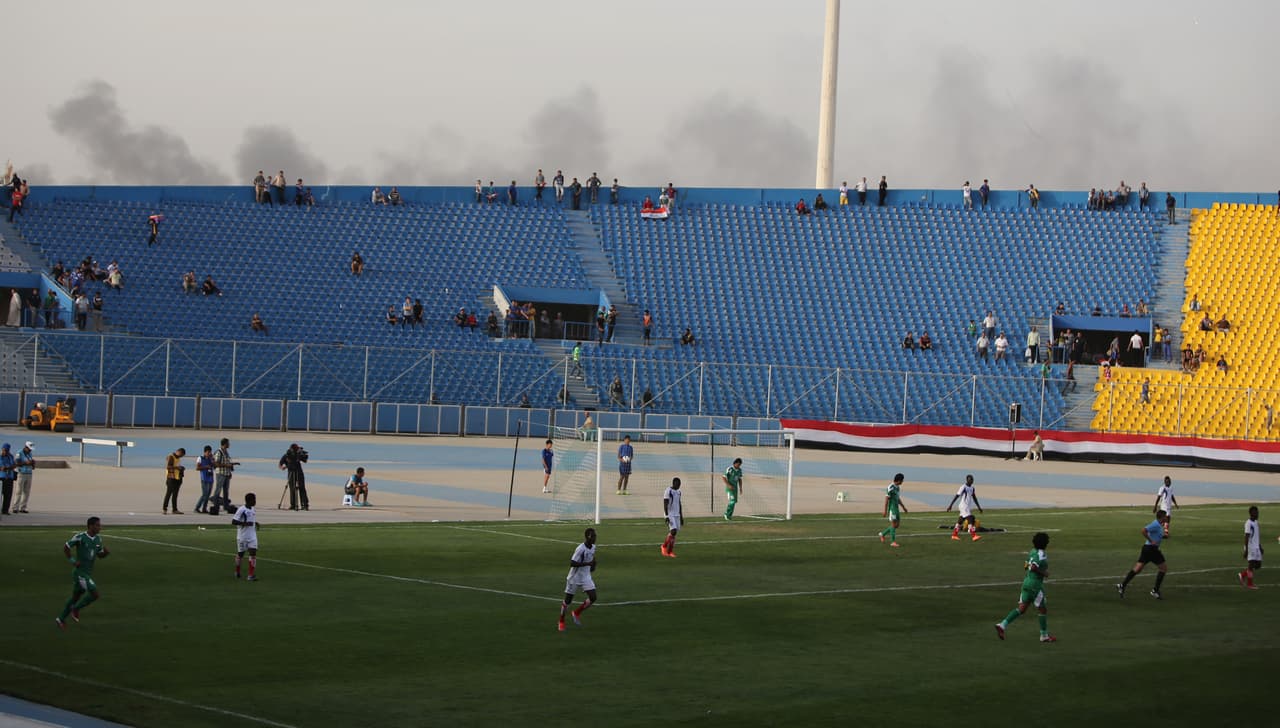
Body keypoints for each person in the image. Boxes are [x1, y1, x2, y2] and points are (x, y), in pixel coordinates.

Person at [994, 532, 1056, 643]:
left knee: (1022, 608)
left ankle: (1002, 625)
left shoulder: (1032, 552)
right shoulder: (1041, 554)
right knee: (1042, 609)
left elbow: (1026, 565)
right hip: (1035, 584)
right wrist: (1044, 573)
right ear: (1045, 543)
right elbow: (1032, 567)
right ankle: (1044, 635)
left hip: (1026, 582)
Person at [55, 516, 110, 630]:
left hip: (87, 572)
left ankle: (60, 619)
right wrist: (73, 561)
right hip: (80, 573)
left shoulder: (98, 539)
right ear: (90, 526)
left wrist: (105, 553)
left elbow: (99, 555)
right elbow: (66, 547)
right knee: (95, 594)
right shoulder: (80, 537)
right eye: (98, 525)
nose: (100, 527)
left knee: (75, 598)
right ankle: (76, 609)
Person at [1117, 510, 1169, 599]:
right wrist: (1151, 540)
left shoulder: (1159, 525)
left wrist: (1163, 537)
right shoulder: (1155, 524)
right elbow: (1143, 530)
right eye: (1165, 516)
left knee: (1137, 569)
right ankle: (1155, 591)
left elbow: (1156, 535)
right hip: (1152, 550)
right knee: (1163, 568)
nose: (1166, 517)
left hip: (1147, 549)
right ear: (1161, 517)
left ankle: (1122, 585)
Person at [558, 527, 598, 632]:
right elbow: (572, 563)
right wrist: (587, 564)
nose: (595, 538)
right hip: (574, 578)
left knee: (593, 597)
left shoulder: (593, 547)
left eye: (595, 536)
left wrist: (593, 565)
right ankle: (561, 620)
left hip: (586, 577)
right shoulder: (580, 549)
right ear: (587, 537)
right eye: (593, 536)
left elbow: (592, 558)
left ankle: (576, 613)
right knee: (568, 601)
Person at [946, 474, 984, 542]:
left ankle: (954, 535)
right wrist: (950, 505)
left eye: (972, 479)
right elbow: (957, 496)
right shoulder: (963, 487)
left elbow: (974, 498)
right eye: (970, 479)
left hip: (967, 507)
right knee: (970, 519)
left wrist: (979, 507)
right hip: (963, 506)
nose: (972, 481)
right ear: (967, 480)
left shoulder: (972, 488)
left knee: (960, 521)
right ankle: (974, 536)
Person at [232, 493, 260, 581]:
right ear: (249, 501)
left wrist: (255, 523)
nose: (255, 501)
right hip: (242, 536)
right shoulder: (241, 510)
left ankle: (250, 575)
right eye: (254, 500)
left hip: (252, 536)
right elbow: (234, 521)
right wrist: (245, 524)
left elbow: (250, 519)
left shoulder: (252, 509)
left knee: (253, 553)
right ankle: (237, 571)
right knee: (241, 554)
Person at [878, 473, 907, 547]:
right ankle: (893, 542)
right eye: (902, 480)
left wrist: (903, 507)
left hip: (896, 509)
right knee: (894, 525)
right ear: (899, 480)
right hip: (892, 509)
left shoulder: (897, 487)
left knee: (897, 525)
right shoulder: (890, 487)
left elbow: (898, 498)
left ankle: (882, 534)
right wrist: (885, 510)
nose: (902, 482)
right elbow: (886, 499)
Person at [279, 443, 309, 510]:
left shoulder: (298, 454)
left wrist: (300, 456)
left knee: (302, 488)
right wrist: (282, 467)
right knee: (292, 489)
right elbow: (280, 463)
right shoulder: (287, 455)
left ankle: (304, 504)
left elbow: (305, 460)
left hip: (299, 472)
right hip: (291, 472)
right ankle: (293, 505)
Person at [1239, 506, 1262, 590]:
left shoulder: (1256, 522)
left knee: (1258, 565)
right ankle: (1250, 583)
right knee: (1251, 565)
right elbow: (1246, 537)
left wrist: (1260, 546)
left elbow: (1256, 536)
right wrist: (1246, 550)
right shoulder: (1248, 523)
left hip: (1256, 547)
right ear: (1251, 513)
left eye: (1258, 512)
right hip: (1251, 547)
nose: (1257, 514)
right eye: (1256, 512)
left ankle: (1243, 574)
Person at [212, 438, 236, 514]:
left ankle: (226, 506)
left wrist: (230, 471)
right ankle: (216, 505)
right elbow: (216, 463)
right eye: (228, 443)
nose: (229, 444)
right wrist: (226, 465)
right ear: (225, 444)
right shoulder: (219, 452)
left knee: (226, 491)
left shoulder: (226, 452)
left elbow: (227, 462)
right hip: (221, 474)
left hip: (226, 474)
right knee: (218, 490)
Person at [661, 477, 683, 558]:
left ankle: (667, 549)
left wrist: (681, 516)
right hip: (670, 514)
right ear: (674, 483)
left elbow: (679, 504)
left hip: (677, 514)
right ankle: (666, 549)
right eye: (677, 484)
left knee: (674, 533)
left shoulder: (679, 492)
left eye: (680, 485)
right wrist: (666, 516)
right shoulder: (668, 491)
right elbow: (665, 503)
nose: (679, 486)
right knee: (673, 531)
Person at [163, 448, 186, 515]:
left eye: (182, 456)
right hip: (171, 478)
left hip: (177, 478)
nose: (181, 456)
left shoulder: (178, 458)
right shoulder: (171, 457)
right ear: (178, 452)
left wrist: (181, 468)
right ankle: (165, 509)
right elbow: (168, 466)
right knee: (169, 494)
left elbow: (176, 466)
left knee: (175, 495)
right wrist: (177, 468)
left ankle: (174, 509)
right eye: (181, 454)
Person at [13, 442, 34, 513]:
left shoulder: (30, 454)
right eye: (29, 449)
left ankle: (23, 507)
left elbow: (31, 464)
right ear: (26, 447)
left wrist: (33, 463)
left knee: (26, 492)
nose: (30, 451)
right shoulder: (19, 453)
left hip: (29, 473)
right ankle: (15, 507)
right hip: (21, 473)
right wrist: (25, 463)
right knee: (19, 491)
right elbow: (16, 463)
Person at [193, 445, 215, 514]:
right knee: (204, 494)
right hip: (204, 478)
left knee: (208, 495)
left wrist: (212, 460)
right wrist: (205, 467)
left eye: (210, 452)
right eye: (208, 452)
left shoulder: (210, 458)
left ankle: (204, 508)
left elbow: (214, 466)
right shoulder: (200, 458)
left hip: (210, 478)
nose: (209, 454)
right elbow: (197, 468)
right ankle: (197, 508)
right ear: (204, 452)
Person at [0, 443, 14, 515]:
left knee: (8, 495)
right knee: (0, 494)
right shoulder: (0, 457)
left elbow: (13, 465)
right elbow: (2, 468)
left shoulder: (10, 456)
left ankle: (5, 510)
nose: (4, 452)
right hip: (1, 478)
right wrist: (6, 468)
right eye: (3, 450)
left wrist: (7, 467)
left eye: (6, 450)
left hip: (9, 478)